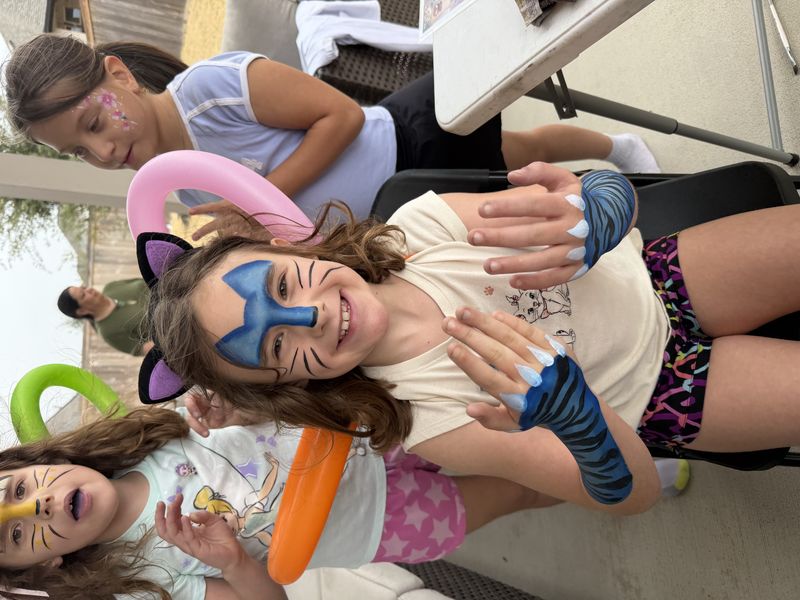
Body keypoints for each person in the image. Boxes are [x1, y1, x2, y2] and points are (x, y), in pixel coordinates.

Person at [140, 161, 800, 517]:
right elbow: (631, 493)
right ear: (290, 387)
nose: (307, 317)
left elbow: (603, 182)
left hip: (658, 276)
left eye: (283, 286)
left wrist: (598, 210)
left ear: (282, 246)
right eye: (277, 350)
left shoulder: (418, 228)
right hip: (664, 393)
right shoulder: (429, 417)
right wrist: (581, 419)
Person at [4, 34, 659, 240]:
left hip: (412, 143)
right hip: (393, 209)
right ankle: (613, 172)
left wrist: (255, 204)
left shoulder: (212, 90)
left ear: (118, 76)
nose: (101, 153)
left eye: (93, 126)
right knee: (517, 168)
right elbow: (289, 226)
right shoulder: (178, 186)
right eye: (77, 153)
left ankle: (615, 153)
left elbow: (340, 119)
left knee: (522, 163)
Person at [0, 402, 549, 600]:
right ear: (44, 564)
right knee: (522, 486)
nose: (35, 507)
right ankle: (616, 469)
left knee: (508, 429)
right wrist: (234, 561)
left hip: (368, 430)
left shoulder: (141, 436)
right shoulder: (138, 573)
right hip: (380, 522)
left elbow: (264, 403)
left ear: (35, 461)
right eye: (16, 535)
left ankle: (610, 420)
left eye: (18, 490)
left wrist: (236, 408)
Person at [57, 280, 152, 356]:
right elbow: (144, 349)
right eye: (83, 295)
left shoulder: (111, 287)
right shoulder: (107, 332)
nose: (89, 290)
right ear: (82, 311)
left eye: (84, 288)